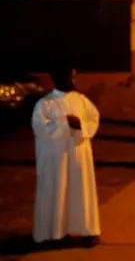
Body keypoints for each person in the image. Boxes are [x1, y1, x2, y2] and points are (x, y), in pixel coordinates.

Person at [32, 66, 101, 247]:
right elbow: (40, 128)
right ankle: (55, 232)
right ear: (60, 78)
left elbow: (94, 118)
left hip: (79, 155)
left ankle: (87, 231)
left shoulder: (81, 100)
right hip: (56, 159)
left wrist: (81, 126)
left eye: (75, 77)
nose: (74, 81)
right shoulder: (45, 104)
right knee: (57, 190)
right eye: (72, 77)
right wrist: (64, 124)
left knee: (82, 190)